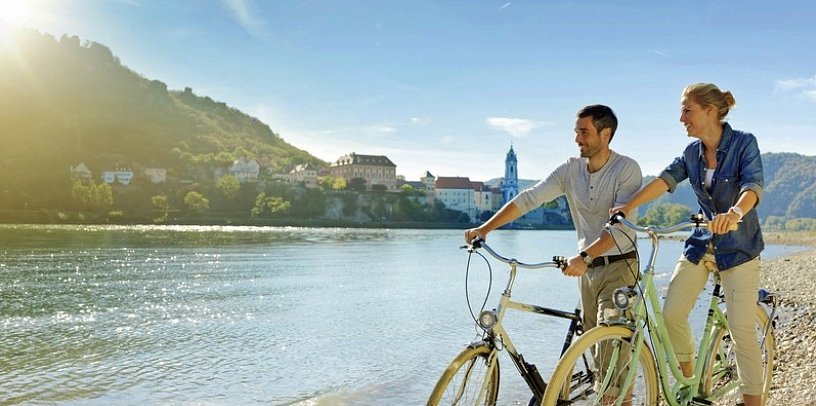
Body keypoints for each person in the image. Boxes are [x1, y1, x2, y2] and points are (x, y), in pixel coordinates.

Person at [613, 83, 764, 406]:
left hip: (739, 248)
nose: (682, 118)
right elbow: (664, 180)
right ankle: (690, 382)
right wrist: (627, 206)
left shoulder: (743, 143)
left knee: (741, 331)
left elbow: (752, 186)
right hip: (701, 244)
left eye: (687, 110)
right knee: (671, 315)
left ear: (710, 111)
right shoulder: (691, 154)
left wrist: (735, 213)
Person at [465, 104, 643, 342]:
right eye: (576, 132)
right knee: (591, 344)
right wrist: (485, 228)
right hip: (587, 270)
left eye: (584, 132)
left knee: (609, 345)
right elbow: (529, 198)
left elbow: (619, 230)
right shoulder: (570, 169)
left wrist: (584, 257)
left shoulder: (626, 169)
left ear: (605, 134)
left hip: (619, 267)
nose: (577, 139)